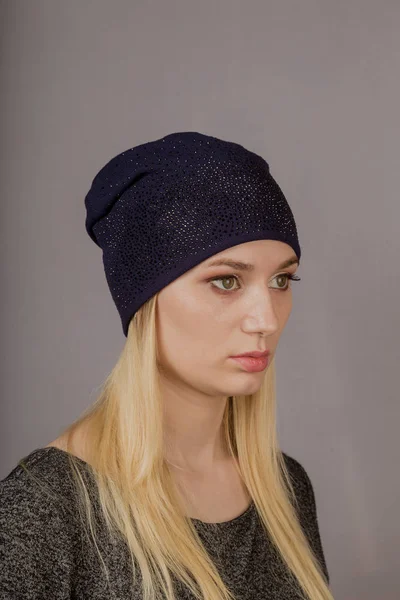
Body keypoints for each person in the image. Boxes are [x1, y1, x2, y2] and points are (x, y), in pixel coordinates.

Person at [0, 131, 333, 600]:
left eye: (282, 278)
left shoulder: (284, 489)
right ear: (144, 300)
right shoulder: (46, 509)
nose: (266, 319)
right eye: (225, 281)